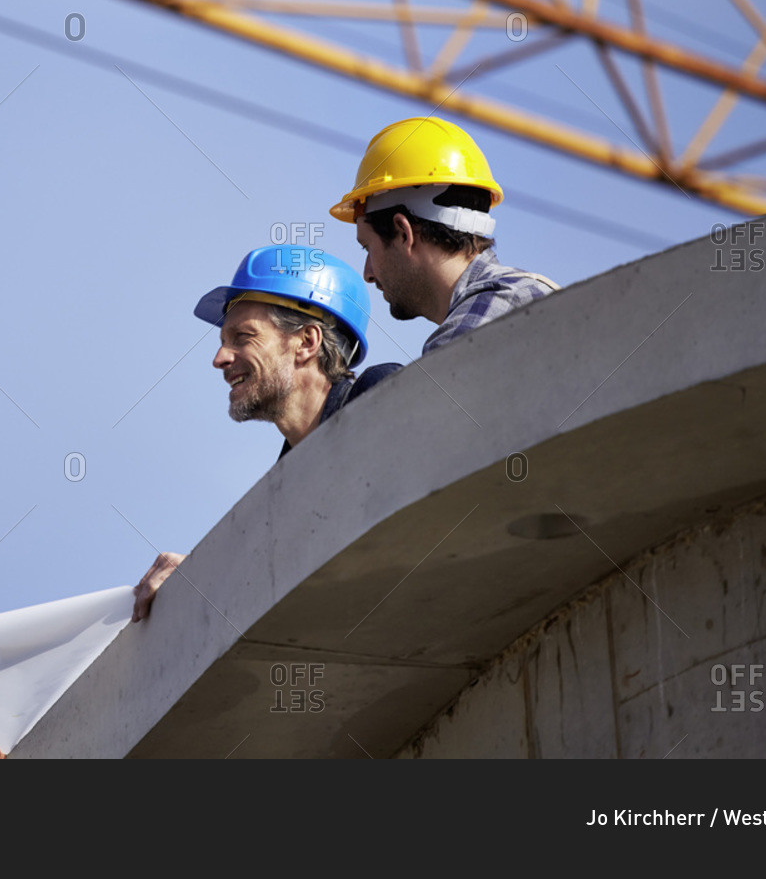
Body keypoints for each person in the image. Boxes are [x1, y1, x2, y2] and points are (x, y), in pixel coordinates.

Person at [130, 244, 402, 622]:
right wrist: (202, 576)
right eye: (223, 341)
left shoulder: (381, 395)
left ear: (306, 342)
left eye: (243, 337)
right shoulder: (282, 486)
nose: (220, 358)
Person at [329, 116, 559, 355]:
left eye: (367, 247)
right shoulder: (522, 296)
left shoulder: (474, 331)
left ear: (403, 233)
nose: (368, 274)